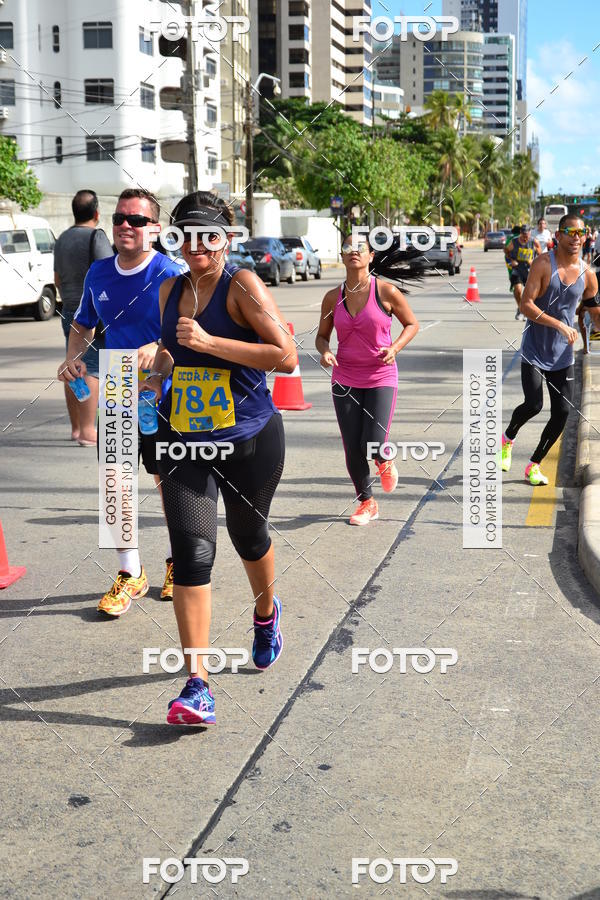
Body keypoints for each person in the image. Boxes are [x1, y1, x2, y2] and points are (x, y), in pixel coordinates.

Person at [139, 191, 296, 726]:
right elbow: (167, 349)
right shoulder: (168, 288)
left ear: (226, 238)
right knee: (191, 553)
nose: (196, 244)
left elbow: (285, 354)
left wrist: (210, 344)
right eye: (185, 232)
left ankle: (266, 612)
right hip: (186, 439)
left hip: (249, 437)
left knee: (249, 538)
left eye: (208, 234)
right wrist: (157, 375)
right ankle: (196, 685)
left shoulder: (242, 286)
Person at [57, 188, 184, 614]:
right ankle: (131, 573)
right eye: (119, 219)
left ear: (155, 230)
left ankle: (178, 563)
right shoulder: (98, 273)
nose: (126, 226)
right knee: (115, 481)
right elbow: (82, 324)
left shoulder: (171, 273)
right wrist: (75, 355)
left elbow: (192, 329)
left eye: (137, 220)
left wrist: (158, 344)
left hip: (168, 388)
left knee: (169, 481)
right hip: (117, 381)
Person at [315, 234, 419, 526]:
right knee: (352, 445)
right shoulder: (332, 297)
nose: (353, 252)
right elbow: (322, 337)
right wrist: (325, 352)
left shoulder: (386, 291)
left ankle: (384, 458)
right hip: (345, 377)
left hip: (380, 375)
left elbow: (412, 324)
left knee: (372, 441)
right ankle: (366, 502)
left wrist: (395, 347)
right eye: (347, 248)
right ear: (342, 255)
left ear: (371, 255)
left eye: (359, 248)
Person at [501, 215, 598, 485]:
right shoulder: (544, 264)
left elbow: (595, 311)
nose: (577, 237)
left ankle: (533, 465)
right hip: (534, 350)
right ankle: (508, 437)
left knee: (563, 412)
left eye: (582, 232)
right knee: (533, 404)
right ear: (558, 235)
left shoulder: (587, 274)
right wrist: (558, 325)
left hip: (562, 355)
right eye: (570, 232)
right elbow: (526, 305)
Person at [54, 189, 113, 445]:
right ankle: (89, 431)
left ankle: (77, 428)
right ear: (97, 213)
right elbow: (107, 274)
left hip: (67, 308)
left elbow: (56, 277)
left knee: (72, 365)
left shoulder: (63, 238)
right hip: (90, 313)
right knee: (92, 367)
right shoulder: (96, 236)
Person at [505, 224, 542, 320]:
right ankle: (521, 309)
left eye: (527, 235)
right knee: (517, 290)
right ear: (520, 234)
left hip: (530, 271)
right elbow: (506, 251)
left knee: (532, 294)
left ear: (530, 234)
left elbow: (541, 256)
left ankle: (526, 309)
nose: (525, 238)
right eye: (523, 235)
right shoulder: (514, 242)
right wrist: (511, 261)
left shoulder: (534, 242)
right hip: (517, 270)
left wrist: (534, 262)